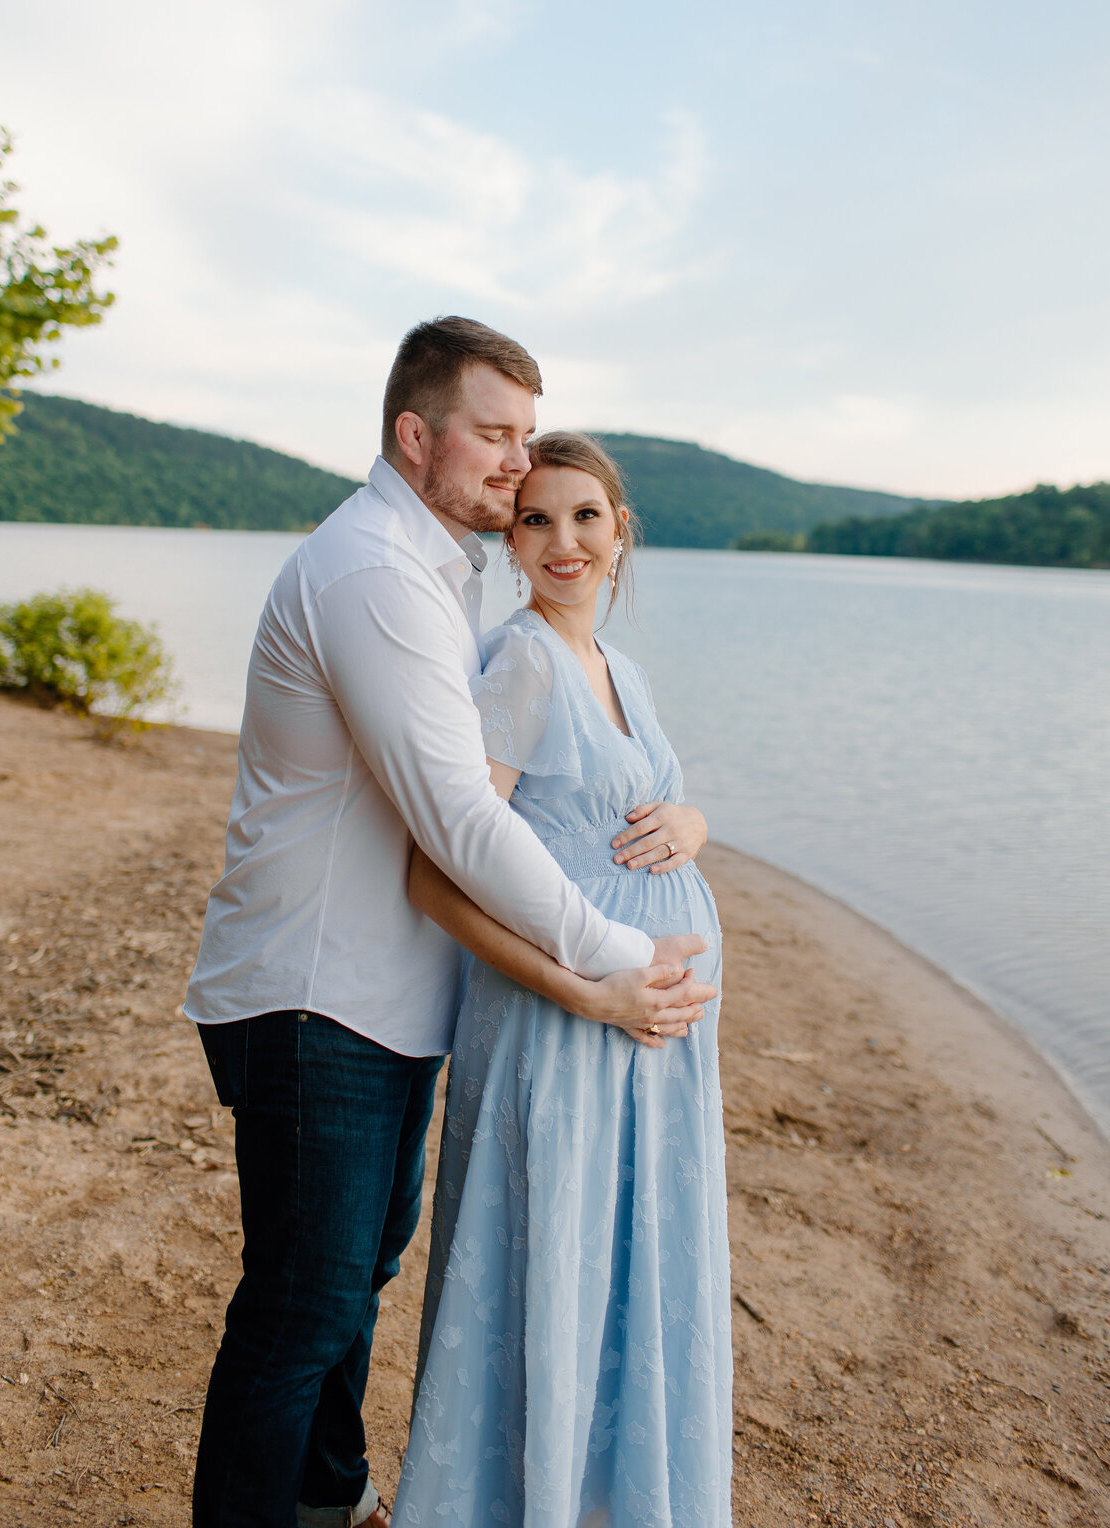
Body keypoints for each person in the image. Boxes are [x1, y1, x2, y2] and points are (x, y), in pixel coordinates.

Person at [183, 319, 716, 1528]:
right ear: (414, 435)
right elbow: (461, 831)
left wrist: (686, 822)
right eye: (494, 436)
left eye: (529, 439)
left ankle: (329, 1497)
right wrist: (620, 965)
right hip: (314, 992)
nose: (517, 468)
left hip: (382, 998)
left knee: (350, 1283)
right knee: (303, 1307)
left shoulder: (438, 572)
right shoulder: (376, 575)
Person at [391, 431, 732, 1528]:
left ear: (621, 533)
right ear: (510, 538)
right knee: (553, 1273)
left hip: (645, 1046)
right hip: (569, 1026)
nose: (562, 540)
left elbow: (637, 814)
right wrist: (589, 992)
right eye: (535, 518)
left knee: (620, 1272)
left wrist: (695, 819)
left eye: (585, 516)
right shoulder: (527, 659)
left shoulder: (616, 669)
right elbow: (443, 872)